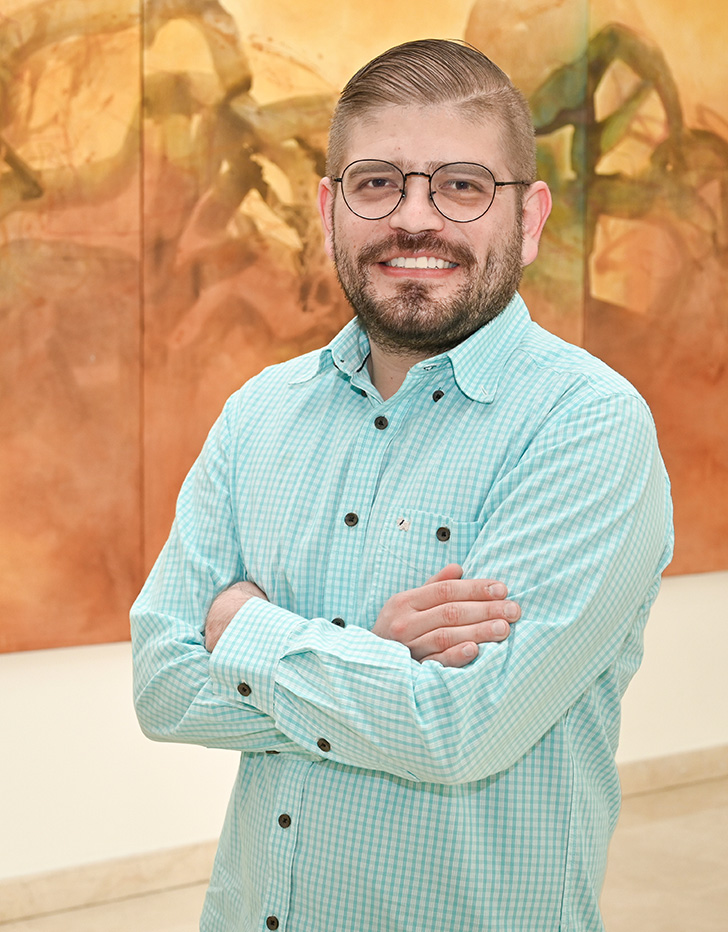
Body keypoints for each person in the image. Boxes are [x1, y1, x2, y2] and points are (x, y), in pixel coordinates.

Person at [131, 38, 673, 932]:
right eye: (377, 182)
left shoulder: (587, 425)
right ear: (330, 210)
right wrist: (373, 654)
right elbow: (159, 682)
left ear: (529, 218)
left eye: (462, 185)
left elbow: (460, 729)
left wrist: (249, 631)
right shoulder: (258, 413)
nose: (414, 219)